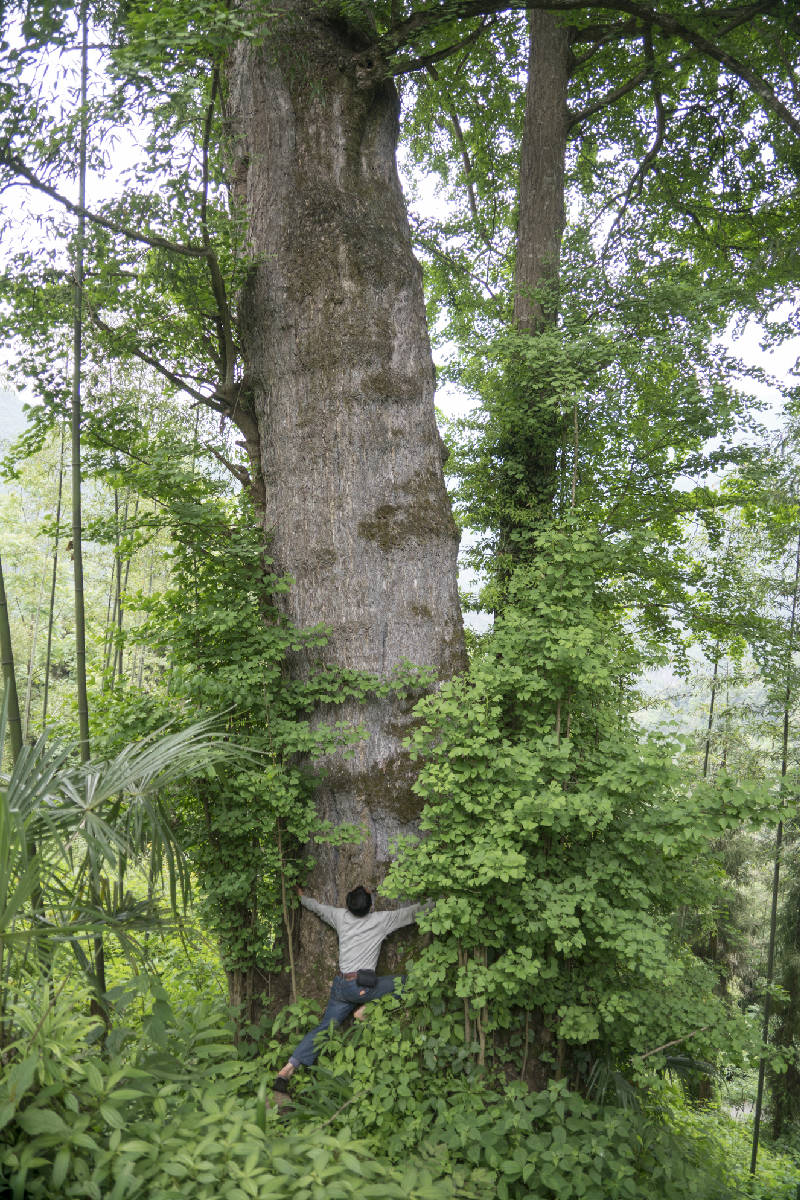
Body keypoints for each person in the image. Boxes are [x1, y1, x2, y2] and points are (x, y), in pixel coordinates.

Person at [273, 884, 425, 1095]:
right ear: (370, 906)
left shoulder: (340, 916)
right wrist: (440, 901)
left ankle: (287, 1069)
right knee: (406, 982)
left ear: (349, 905)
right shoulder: (381, 920)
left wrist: (302, 898)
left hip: (341, 987)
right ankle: (366, 1010)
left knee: (324, 1029)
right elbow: (412, 912)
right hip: (363, 987)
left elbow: (318, 908)